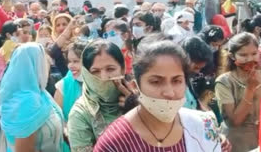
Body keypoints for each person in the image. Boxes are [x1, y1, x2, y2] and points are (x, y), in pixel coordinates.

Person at [93, 40, 222, 152]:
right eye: (156, 82)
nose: (169, 93)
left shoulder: (202, 127)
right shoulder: (115, 143)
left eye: (177, 81)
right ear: (135, 86)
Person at [68, 39, 135, 151]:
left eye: (110, 69)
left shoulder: (140, 99)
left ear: (122, 69)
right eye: (95, 71)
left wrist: (138, 111)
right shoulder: (80, 114)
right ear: (87, 74)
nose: (104, 77)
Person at [0, 43, 64, 152]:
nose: (48, 67)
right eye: (45, 62)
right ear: (34, 64)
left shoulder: (37, 91)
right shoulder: (26, 102)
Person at [215, 32, 260, 152]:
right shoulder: (224, 82)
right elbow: (235, 121)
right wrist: (250, 89)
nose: (250, 59)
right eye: (243, 55)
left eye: (254, 54)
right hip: (237, 142)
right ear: (232, 56)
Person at [54, 40, 87, 152]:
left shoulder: (102, 86)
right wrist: (67, 131)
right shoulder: (63, 85)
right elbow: (57, 116)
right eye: (69, 61)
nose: (70, 66)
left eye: (76, 61)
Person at [181, 36, 213, 110]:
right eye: (196, 68)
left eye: (200, 69)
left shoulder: (187, 79)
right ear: (185, 57)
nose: (197, 72)